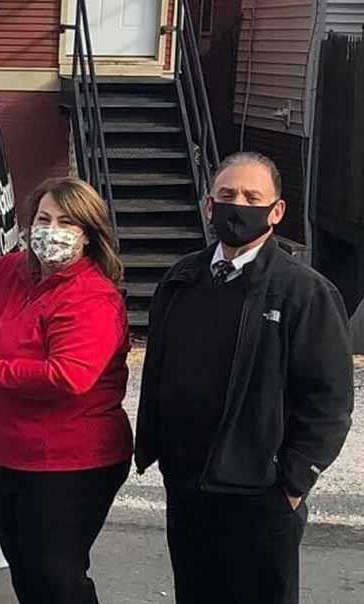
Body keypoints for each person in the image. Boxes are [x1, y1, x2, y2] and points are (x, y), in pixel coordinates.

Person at [135, 152, 354, 604]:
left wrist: (292, 483)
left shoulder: (305, 293)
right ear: (209, 206)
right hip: (189, 489)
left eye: (252, 197)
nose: (238, 205)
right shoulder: (182, 279)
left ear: (276, 211)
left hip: (260, 494)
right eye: (227, 195)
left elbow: (329, 402)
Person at [0, 177, 132, 604]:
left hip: (71, 463)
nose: (51, 230)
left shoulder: (91, 298)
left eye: (67, 222)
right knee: (27, 573)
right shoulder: (16, 270)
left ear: (88, 235)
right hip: (13, 454)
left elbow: (68, 377)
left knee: (58, 580)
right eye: (44, 218)